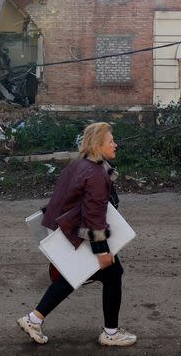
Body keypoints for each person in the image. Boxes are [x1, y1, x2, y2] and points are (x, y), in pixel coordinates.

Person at [17, 122, 137, 347]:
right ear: (98, 145)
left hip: (67, 231)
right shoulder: (97, 175)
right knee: (107, 272)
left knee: (76, 275)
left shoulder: (80, 164)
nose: (116, 144)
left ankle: (33, 319)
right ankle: (110, 333)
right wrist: (101, 251)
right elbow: (94, 215)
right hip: (81, 234)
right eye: (111, 141)